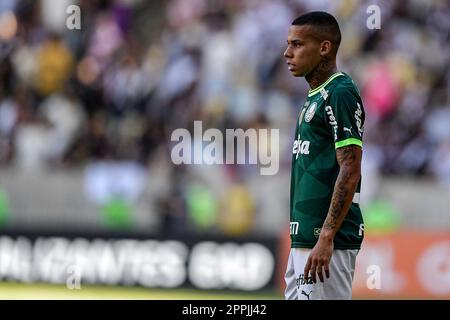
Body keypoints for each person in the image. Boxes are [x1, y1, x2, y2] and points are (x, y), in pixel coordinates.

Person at [283, 11, 365, 300]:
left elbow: (350, 168)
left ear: (324, 48)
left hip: (326, 241)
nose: (287, 53)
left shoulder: (339, 92)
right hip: (305, 238)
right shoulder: (315, 96)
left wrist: (326, 236)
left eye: (297, 44)